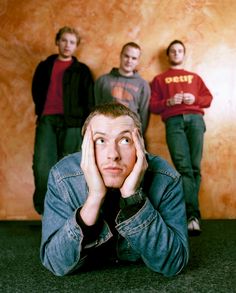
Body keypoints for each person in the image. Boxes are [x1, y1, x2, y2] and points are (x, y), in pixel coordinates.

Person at [40, 102, 189, 277]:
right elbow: (55, 263)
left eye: (125, 140)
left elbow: (174, 263)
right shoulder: (62, 176)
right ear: (85, 147)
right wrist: (94, 198)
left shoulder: (167, 179)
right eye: (100, 140)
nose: (113, 154)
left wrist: (133, 198)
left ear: (140, 146)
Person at [149, 40, 213, 236]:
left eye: (180, 51)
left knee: (195, 168)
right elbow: (153, 106)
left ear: (184, 54)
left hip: (195, 120)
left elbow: (208, 99)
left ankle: (191, 215)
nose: (176, 53)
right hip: (174, 122)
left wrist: (195, 100)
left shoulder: (195, 77)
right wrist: (168, 101)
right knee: (184, 168)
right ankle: (192, 216)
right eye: (173, 51)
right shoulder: (160, 79)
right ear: (168, 55)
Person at [31, 26, 94, 215]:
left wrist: (85, 125)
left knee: (71, 168)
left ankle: (71, 214)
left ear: (76, 46)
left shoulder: (82, 71)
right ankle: (45, 211)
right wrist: (42, 112)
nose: (67, 45)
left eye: (72, 42)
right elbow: (36, 91)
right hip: (47, 121)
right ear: (57, 42)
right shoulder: (44, 66)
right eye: (64, 40)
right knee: (42, 166)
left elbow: (89, 100)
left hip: (73, 124)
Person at [94, 42, 150, 134]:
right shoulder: (102, 81)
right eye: (126, 56)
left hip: (130, 133)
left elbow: (143, 115)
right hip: (106, 131)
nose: (129, 61)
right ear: (121, 56)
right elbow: (96, 110)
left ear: (138, 61)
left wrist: (138, 135)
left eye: (134, 58)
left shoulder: (143, 85)